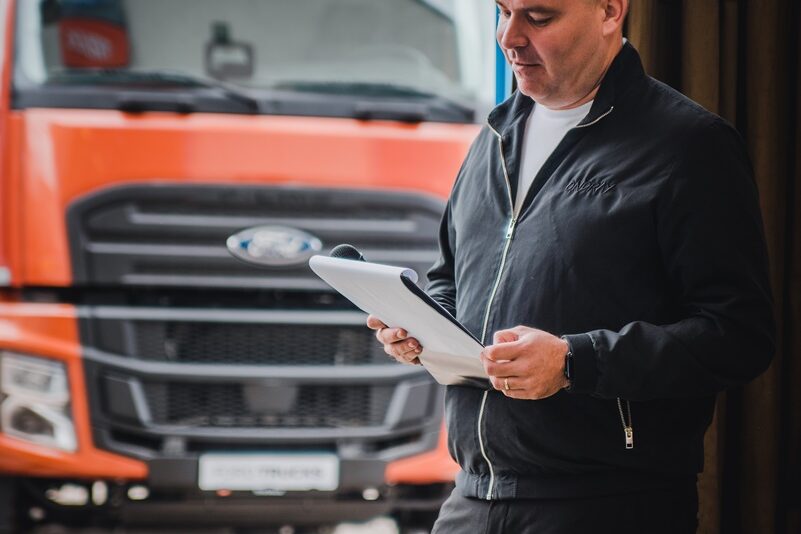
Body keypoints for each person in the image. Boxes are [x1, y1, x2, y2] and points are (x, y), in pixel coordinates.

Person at [367, 0, 775, 532]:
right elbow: (451, 277)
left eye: (538, 17)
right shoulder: (493, 137)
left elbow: (739, 334)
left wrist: (573, 363)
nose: (509, 37)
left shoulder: (690, 146)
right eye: (502, 11)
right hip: (471, 498)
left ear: (609, 11)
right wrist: (425, 328)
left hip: (609, 506)